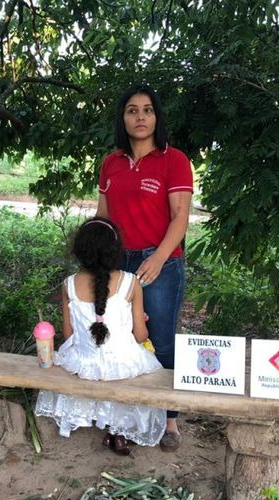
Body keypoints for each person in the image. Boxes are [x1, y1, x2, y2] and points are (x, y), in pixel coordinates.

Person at [96, 84, 193, 452]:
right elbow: (103, 217)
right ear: (123, 118)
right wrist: (97, 260)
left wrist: (158, 258)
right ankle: (122, 418)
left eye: (147, 110)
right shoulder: (111, 163)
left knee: (161, 341)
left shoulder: (174, 160)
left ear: (157, 117)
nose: (140, 117)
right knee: (119, 339)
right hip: (118, 262)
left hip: (160, 263)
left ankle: (170, 420)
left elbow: (180, 217)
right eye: (132, 110)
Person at [35, 217, 166, 455]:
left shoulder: (68, 284)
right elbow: (140, 335)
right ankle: (118, 433)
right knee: (131, 366)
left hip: (84, 362)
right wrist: (137, 323)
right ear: (116, 250)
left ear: (79, 251)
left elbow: (68, 335)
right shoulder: (131, 282)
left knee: (100, 368)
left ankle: (108, 427)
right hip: (124, 363)